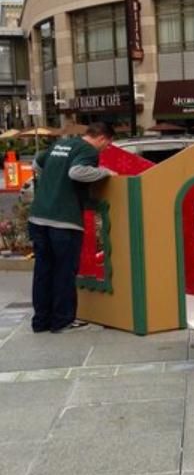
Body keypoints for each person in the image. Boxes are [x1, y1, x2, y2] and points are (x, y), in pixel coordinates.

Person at [29, 121, 116, 334]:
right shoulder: (88, 150)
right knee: (64, 272)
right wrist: (104, 172)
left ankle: (41, 321)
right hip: (64, 220)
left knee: (43, 270)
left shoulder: (61, 144)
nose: (106, 149)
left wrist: (52, 179)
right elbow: (77, 172)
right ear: (102, 138)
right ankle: (61, 320)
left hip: (38, 217)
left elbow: (37, 164)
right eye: (108, 145)